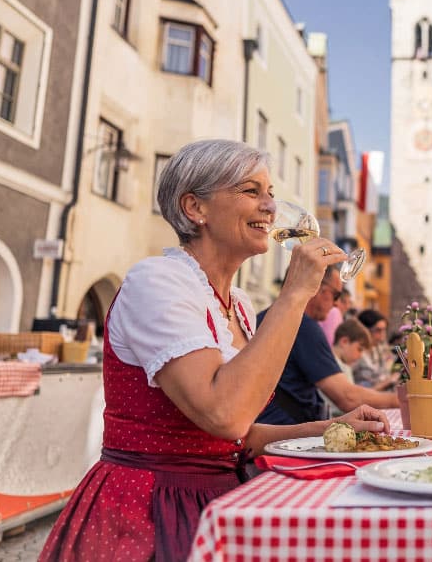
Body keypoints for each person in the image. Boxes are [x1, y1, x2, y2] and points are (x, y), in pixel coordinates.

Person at [40, 140, 389, 562]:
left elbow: (234, 440)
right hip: (151, 509)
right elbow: (224, 414)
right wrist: (295, 294)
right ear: (195, 208)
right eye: (250, 191)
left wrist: (330, 429)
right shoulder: (157, 281)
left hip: (222, 498)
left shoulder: (237, 303)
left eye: (271, 194)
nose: (271, 208)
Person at [256, 266, 398, 426]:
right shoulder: (303, 326)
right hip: (286, 436)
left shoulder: (262, 318)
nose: (337, 304)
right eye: (336, 295)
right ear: (316, 288)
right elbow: (347, 397)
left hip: (264, 428)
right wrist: (398, 399)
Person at [322, 318, 371, 417]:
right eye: (359, 349)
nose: (360, 355)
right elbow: (350, 401)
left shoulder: (344, 365)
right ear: (344, 342)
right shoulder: (333, 365)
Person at [353, 310, 398, 391]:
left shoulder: (377, 349)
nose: (382, 336)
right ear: (364, 330)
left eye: (384, 330)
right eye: (378, 330)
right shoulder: (355, 353)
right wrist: (388, 381)